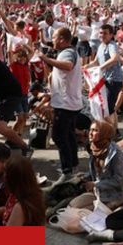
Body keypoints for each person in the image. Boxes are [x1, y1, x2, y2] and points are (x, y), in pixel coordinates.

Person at [25, 27, 82, 182]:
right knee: (69, 136)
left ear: (63, 39)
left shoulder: (68, 53)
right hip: (68, 102)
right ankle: (73, 166)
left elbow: (68, 65)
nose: (52, 39)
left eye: (55, 36)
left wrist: (45, 58)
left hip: (66, 104)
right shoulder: (66, 51)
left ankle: (67, 171)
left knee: (59, 136)